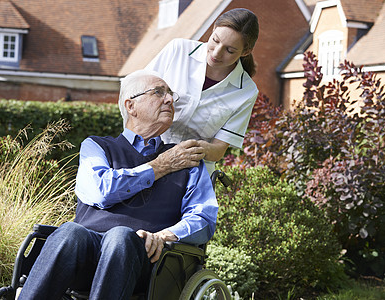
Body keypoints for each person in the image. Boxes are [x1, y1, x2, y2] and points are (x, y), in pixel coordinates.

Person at [18, 69, 218, 300]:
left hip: (146, 260)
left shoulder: (186, 159)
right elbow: (99, 191)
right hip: (85, 254)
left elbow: (204, 219)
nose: (170, 99)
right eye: (159, 92)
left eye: (171, 95)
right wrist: (159, 167)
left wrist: (164, 236)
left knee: (120, 236)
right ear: (131, 106)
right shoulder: (97, 147)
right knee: (70, 231)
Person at [145, 8, 259, 174]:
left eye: (230, 50)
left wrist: (202, 149)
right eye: (215, 40)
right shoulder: (178, 50)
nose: (217, 53)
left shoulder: (247, 92)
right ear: (213, 29)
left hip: (192, 174)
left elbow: (218, 150)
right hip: (146, 156)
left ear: (245, 52)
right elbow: (135, 93)